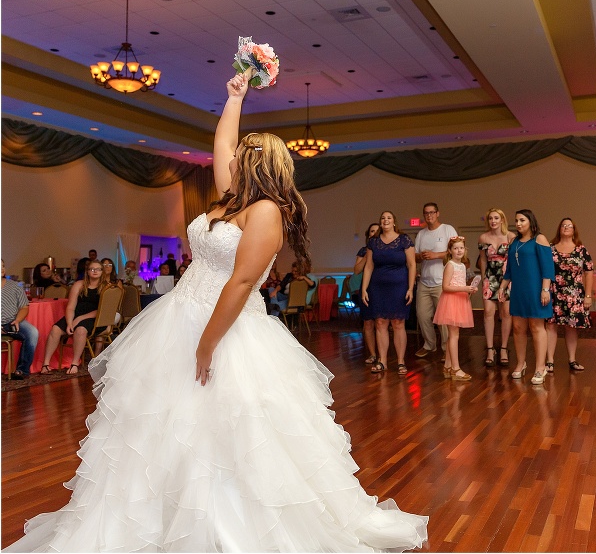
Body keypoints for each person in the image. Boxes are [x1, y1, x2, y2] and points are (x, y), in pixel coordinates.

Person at [4, 73, 428, 552]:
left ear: (259, 166)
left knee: (228, 432)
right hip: (177, 316)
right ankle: (152, 521)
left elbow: (243, 281)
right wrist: (234, 98)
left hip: (225, 329)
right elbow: (222, 140)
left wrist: (206, 342)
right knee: (161, 427)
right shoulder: (233, 199)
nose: (233, 157)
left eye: (244, 154)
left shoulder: (265, 210)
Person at [498, 209, 555, 385]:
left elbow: (548, 267)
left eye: (522, 220)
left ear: (530, 221)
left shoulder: (539, 239)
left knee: (537, 326)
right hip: (519, 290)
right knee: (517, 327)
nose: (519, 223)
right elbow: (509, 269)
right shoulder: (514, 241)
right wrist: (502, 286)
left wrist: (545, 289)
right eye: (516, 220)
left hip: (536, 289)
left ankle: (540, 367)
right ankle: (521, 363)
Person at [361, 211, 417, 375]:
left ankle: (400, 361)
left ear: (394, 222)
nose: (385, 220)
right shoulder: (374, 242)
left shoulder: (404, 239)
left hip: (399, 286)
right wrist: (364, 288)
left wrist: (410, 288)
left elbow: (412, 264)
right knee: (380, 323)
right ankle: (382, 361)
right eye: (383, 218)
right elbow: (369, 266)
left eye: (389, 218)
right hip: (378, 287)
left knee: (398, 323)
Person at [39, 259, 108, 375]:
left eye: (98, 269)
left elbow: (102, 311)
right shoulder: (79, 284)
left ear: (102, 272)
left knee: (80, 330)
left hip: (96, 318)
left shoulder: (106, 287)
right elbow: (71, 307)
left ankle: (74, 363)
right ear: (87, 271)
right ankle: (45, 364)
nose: (95, 271)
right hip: (76, 314)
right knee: (55, 329)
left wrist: (79, 319)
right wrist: (70, 322)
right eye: (92, 269)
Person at [545, 218, 594, 373]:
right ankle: (549, 361)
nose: (566, 228)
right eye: (563, 225)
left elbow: (589, 272)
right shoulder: (550, 248)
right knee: (551, 325)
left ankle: (572, 360)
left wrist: (588, 296)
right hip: (554, 292)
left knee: (571, 327)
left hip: (575, 294)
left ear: (574, 230)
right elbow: (544, 271)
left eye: (569, 226)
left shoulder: (581, 249)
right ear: (559, 229)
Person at [414, 202, 457, 359]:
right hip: (425, 281)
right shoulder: (421, 234)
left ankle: (447, 349)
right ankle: (429, 344)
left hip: (442, 282)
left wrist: (436, 255)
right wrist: (421, 256)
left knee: (443, 318)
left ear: (438, 213)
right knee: (422, 315)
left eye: (432, 212)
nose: (429, 215)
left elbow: (457, 250)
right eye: (426, 213)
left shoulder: (447, 229)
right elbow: (416, 257)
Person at [433, 236, 477, 381]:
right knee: (454, 334)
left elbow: (458, 283)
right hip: (451, 301)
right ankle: (456, 368)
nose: (459, 250)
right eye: (456, 248)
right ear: (450, 251)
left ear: (465, 250)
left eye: (461, 248)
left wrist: (468, 290)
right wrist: (464, 288)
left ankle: (447, 366)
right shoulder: (450, 265)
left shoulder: (463, 265)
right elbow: (445, 287)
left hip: (460, 299)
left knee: (454, 334)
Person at [477, 208, 516, 367]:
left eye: (496, 218)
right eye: (490, 218)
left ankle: (504, 348)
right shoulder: (483, 237)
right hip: (490, 277)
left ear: (502, 220)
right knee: (488, 312)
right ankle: (490, 349)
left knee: (506, 312)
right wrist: (483, 278)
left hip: (507, 277)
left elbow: (514, 260)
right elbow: (483, 260)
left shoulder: (511, 236)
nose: (493, 221)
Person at [1, 259, 39, 380]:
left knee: (33, 332)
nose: (2, 268)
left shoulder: (14, 286)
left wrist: (17, 320)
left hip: (11, 322)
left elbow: (24, 307)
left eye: (3, 265)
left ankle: (22, 370)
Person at [353, 222, 380, 365]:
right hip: (367, 288)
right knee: (368, 323)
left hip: (381, 288)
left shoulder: (385, 250)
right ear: (368, 235)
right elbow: (356, 270)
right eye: (371, 232)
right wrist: (367, 254)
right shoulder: (363, 250)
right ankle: (373, 354)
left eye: (377, 231)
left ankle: (383, 355)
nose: (374, 234)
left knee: (381, 323)